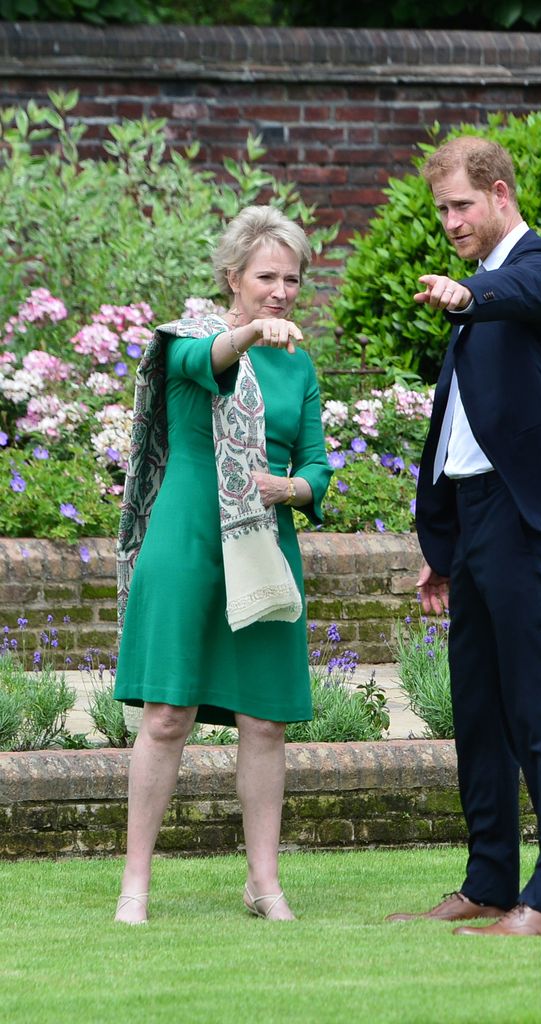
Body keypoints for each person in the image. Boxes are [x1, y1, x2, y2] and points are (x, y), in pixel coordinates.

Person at [386, 137, 541, 936]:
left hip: (524, 522)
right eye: (441, 210)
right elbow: (459, 430)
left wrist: (466, 299)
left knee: (537, 708)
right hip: (475, 524)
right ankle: (488, 884)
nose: (450, 221)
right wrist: (439, 545)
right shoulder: (481, 288)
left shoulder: (539, 268)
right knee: (479, 710)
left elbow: (521, 292)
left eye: (461, 206)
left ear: (500, 193)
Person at [113, 205, 332, 924]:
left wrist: (292, 487)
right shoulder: (188, 341)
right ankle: (135, 886)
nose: (280, 290)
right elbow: (203, 365)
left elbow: (316, 467)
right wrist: (247, 334)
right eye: (266, 277)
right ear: (232, 277)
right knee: (167, 714)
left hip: (264, 549)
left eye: (291, 279)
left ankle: (263, 883)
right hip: (186, 548)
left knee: (264, 722)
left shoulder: (297, 365)